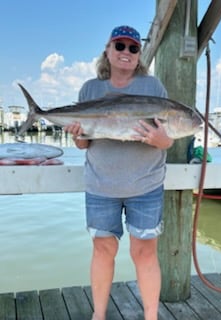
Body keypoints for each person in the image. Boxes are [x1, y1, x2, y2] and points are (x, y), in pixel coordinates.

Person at [64, 25, 173, 320]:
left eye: (133, 48)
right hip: (101, 185)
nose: (126, 52)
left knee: (145, 253)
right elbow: (84, 142)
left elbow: (166, 137)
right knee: (102, 250)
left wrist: (164, 141)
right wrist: (77, 134)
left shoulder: (154, 88)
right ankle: (98, 315)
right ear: (108, 51)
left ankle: (151, 316)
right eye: (120, 46)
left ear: (139, 55)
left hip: (146, 185)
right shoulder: (90, 88)